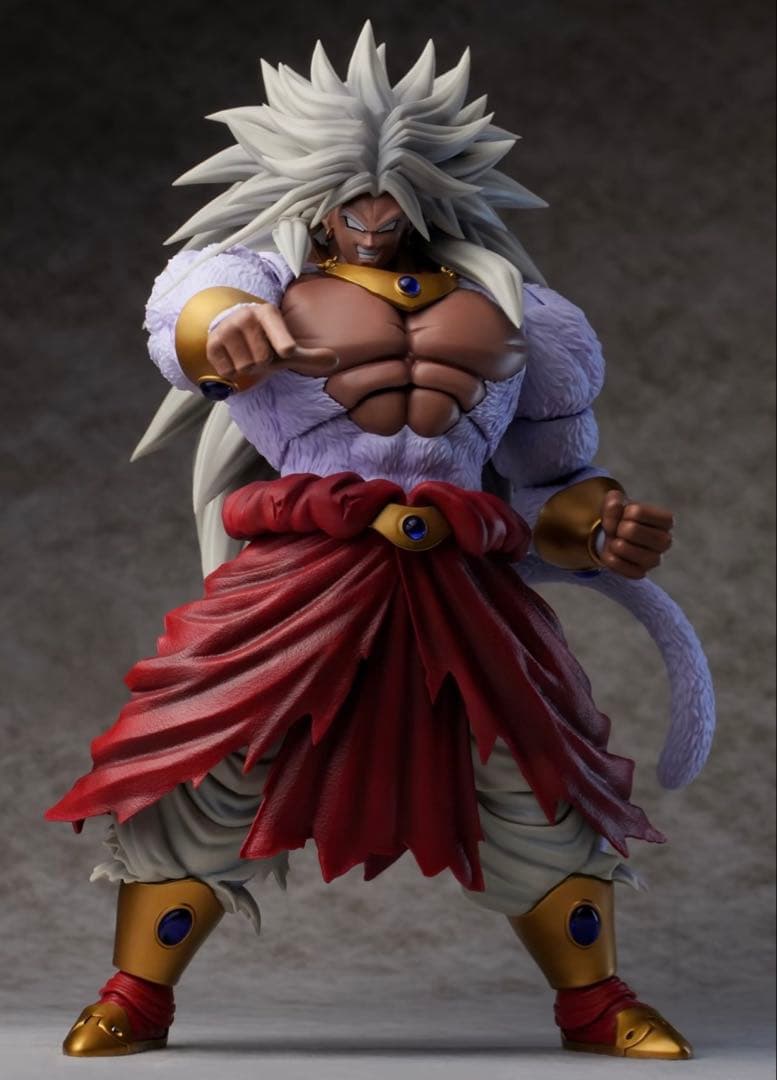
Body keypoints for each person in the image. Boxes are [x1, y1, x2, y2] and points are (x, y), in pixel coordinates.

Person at [46, 22, 713, 1060]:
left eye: (390, 196)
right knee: (213, 756)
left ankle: (596, 1003)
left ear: (433, 188)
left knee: (532, 769)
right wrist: (221, 327)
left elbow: (554, 482)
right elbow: (188, 317)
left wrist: (597, 523)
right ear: (305, 188)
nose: (368, 218)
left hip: (461, 577)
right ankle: (137, 994)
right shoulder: (256, 277)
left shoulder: (520, 314)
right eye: (347, 196)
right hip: (303, 575)